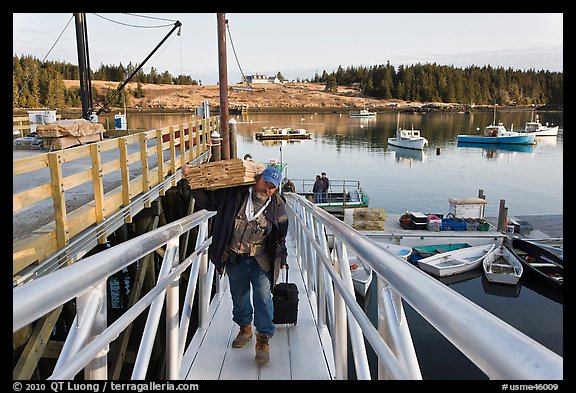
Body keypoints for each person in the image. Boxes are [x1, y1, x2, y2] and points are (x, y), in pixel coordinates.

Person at [182, 164, 288, 365]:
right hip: (235, 257)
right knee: (238, 297)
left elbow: (281, 235)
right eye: (266, 182)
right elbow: (208, 201)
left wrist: (281, 258)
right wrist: (192, 181)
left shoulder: (278, 206)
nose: (268, 189)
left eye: (273, 186)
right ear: (257, 178)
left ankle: (263, 339)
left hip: (261, 259)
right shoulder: (234, 195)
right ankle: (244, 329)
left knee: (263, 298)